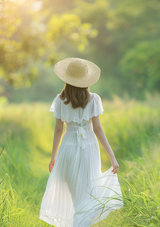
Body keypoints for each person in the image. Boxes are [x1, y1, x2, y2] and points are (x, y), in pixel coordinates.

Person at [39, 58, 124, 227]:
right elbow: (98, 129)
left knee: (75, 195)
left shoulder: (60, 100)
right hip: (89, 149)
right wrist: (112, 156)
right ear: (86, 80)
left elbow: (58, 130)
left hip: (68, 148)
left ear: (66, 79)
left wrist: (53, 157)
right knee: (87, 194)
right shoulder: (93, 99)